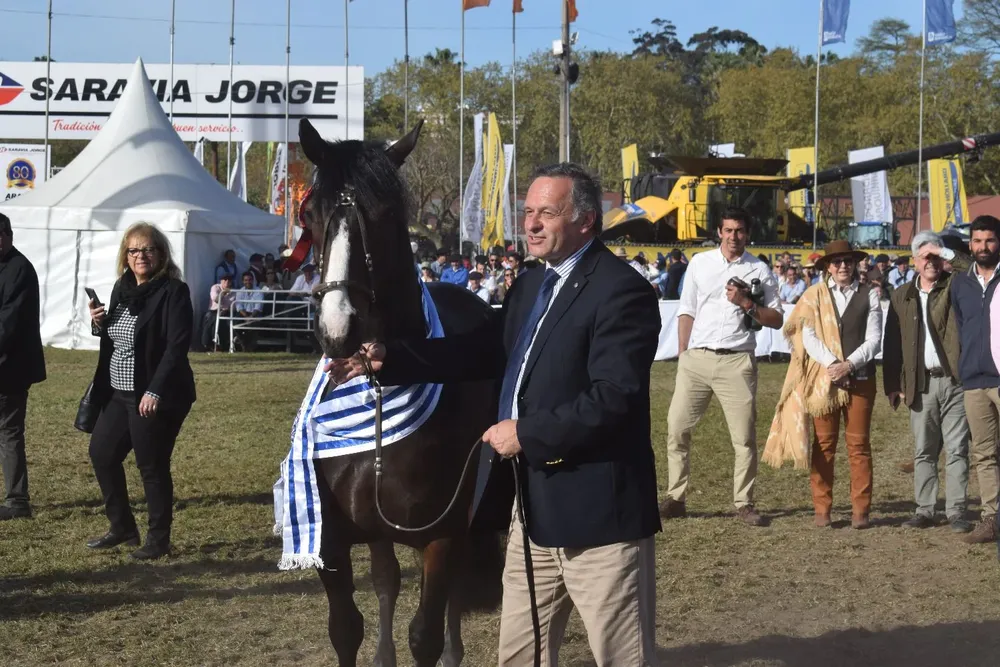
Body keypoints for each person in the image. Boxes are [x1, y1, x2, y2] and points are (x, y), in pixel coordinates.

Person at [326, 163, 662, 665]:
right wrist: (393, 358)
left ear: (587, 221)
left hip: (600, 522)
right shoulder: (531, 285)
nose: (531, 224)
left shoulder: (621, 291)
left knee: (620, 658)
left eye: (547, 213)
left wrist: (527, 432)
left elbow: (614, 398)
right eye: (528, 212)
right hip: (531, 516)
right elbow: (483, 351)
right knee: (518, 657)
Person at [663, 208, 784, 526]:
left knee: (743, 438)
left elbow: (777, 318)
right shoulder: (700, 263)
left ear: (748, 233)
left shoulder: (759, 269)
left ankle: (743, 502)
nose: (734, 236)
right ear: (719, 232)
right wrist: (683, 354)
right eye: (728, 230)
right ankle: (676, 498)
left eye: (740, 230)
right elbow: (686, 309)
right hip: (697, 359)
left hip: (736, 361)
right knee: (677, 429)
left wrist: (746, 303)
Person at [86, 222, 195, 560]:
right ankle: (123, 527)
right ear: (126, 255)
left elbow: (175, 348)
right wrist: (98, 323)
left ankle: (158, 539)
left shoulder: (173, 292)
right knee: (102, 454)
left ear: (160, 253)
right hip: (119, 392)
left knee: (151, 465)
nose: (140, 256)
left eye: (148, 249)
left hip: (154, 394)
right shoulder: (123, 287)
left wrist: (155, 391)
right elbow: (115, 337)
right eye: (133, 250)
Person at [766, 241, 882, 529]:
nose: (843, 266)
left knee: (858, 445)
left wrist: (849, 365)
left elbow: (874, 339)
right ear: (828, 266)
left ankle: (860, 511)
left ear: (855, 264)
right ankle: (822, 508)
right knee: (825, 445)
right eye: (837, 261)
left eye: (848, 261)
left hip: (861, 379)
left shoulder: (871, 295)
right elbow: (809, 336)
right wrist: (833, 366)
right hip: (824, 381)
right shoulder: (814, 295)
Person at [883, 231, 972, 534]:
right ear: (914, 262)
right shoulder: (901, 295)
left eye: (935, 255)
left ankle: (957, 510)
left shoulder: (956, 286)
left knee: (958, 448)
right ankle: (925, 509)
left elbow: (970, 268)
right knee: (924, 450)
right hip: (920, 383)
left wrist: (945, 252)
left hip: (954, 381)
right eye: (925, 256)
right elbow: (892, 343)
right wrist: (892, 384)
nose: (931, 261)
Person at [952, 215, 1000, 544]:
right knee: (984, 453)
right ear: (970, 244)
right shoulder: (960, 283)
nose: (983, 247)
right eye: (978, 241)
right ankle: (991, 518)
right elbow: (961, 327)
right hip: (974, 380)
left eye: (990, 240)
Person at [0, 212, 45, 520]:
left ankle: (17, 501)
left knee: (9, 431)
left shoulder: (19, 270)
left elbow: (9, 324)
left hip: (10, 369)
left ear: (9, 236)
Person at [201, 274, 236, 350]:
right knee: (210, 318)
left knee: (221, 321)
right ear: (221, 281)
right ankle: (207, 343)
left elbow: (233, 306)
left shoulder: (234, 292)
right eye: (225, 280)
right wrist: (223, 293)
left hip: (226, 311)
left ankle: (218, 344)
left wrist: (225, 311)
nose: (227, 282)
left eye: (229, 280)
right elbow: (216, 300)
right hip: (214, 310)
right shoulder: (215, 287)